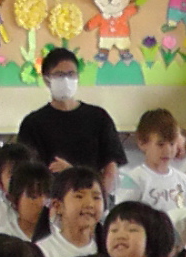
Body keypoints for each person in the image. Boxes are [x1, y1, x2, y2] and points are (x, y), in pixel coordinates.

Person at [15, 49, 126, 193]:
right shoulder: (33, 123)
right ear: (46, 79)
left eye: (71, 74)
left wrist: (98, 197)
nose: (66, 80)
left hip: (94, 201)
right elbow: (30, 174)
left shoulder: (98, 117)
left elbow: (111, 167)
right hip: (53, 203)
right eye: (59, 75)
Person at [39, 166, 104, 257]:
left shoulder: (108, 250)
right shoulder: (43, 252)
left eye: (96, 197)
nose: (89, 204)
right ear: (58, 206)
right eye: (79, 196)